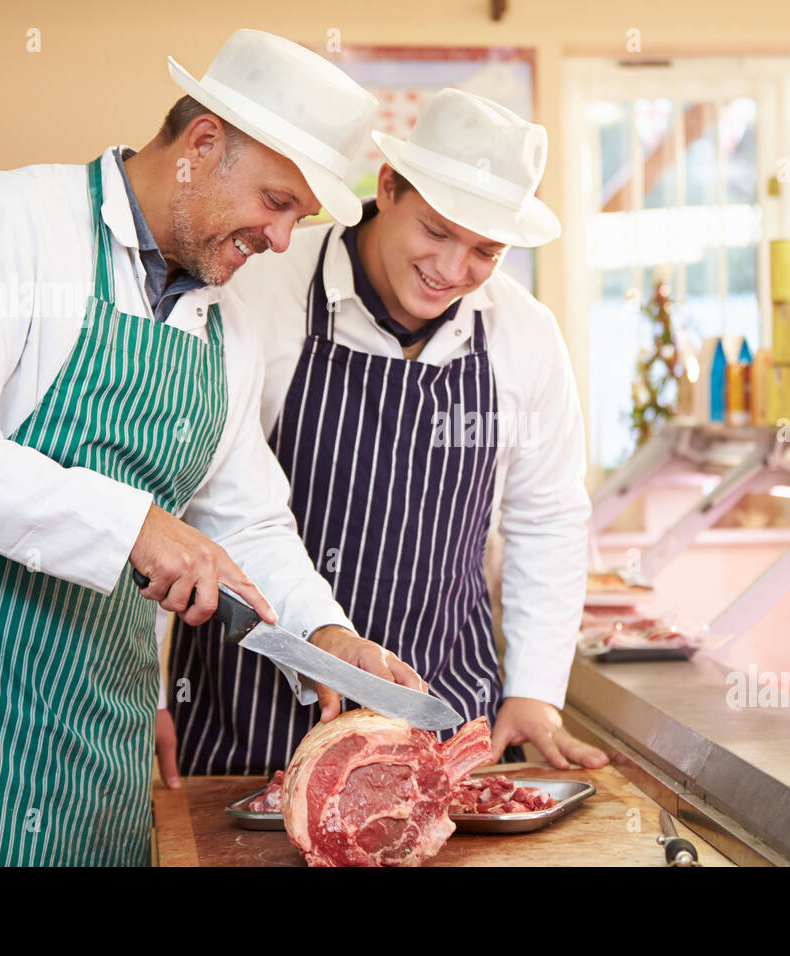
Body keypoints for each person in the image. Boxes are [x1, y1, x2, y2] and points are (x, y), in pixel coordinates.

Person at [0, 29, 423, 867]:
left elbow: (246, 522)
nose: (283, 239)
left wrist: (324, 634)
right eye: (276, 201)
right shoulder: (5, 222)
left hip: (94, 731)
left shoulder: (230, 329)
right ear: (204, 143)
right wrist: (138, 524)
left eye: (300, 216)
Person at [163, 88, 608, 779]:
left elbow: (547, 518)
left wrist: (534, 690)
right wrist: (153, 693)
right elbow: (191, 497)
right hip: (251, 712)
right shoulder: (262, 288)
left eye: (485, 251)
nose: (452, 271)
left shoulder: (525, 335)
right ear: (390, 186)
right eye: (435, 231)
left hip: (442, 711)